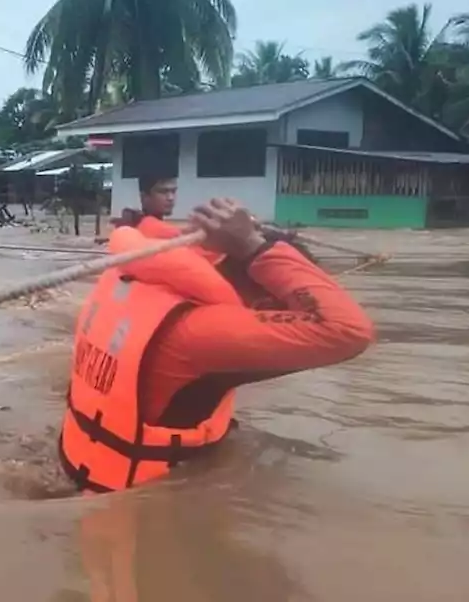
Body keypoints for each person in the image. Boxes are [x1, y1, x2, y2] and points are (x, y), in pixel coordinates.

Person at [59, 197, 376, 493]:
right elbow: (346, 330)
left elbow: (166, 237)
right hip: (146, 503)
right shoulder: (201, 334)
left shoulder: (144, 286)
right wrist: (253, 246)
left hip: (82, 469)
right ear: (266, 299)